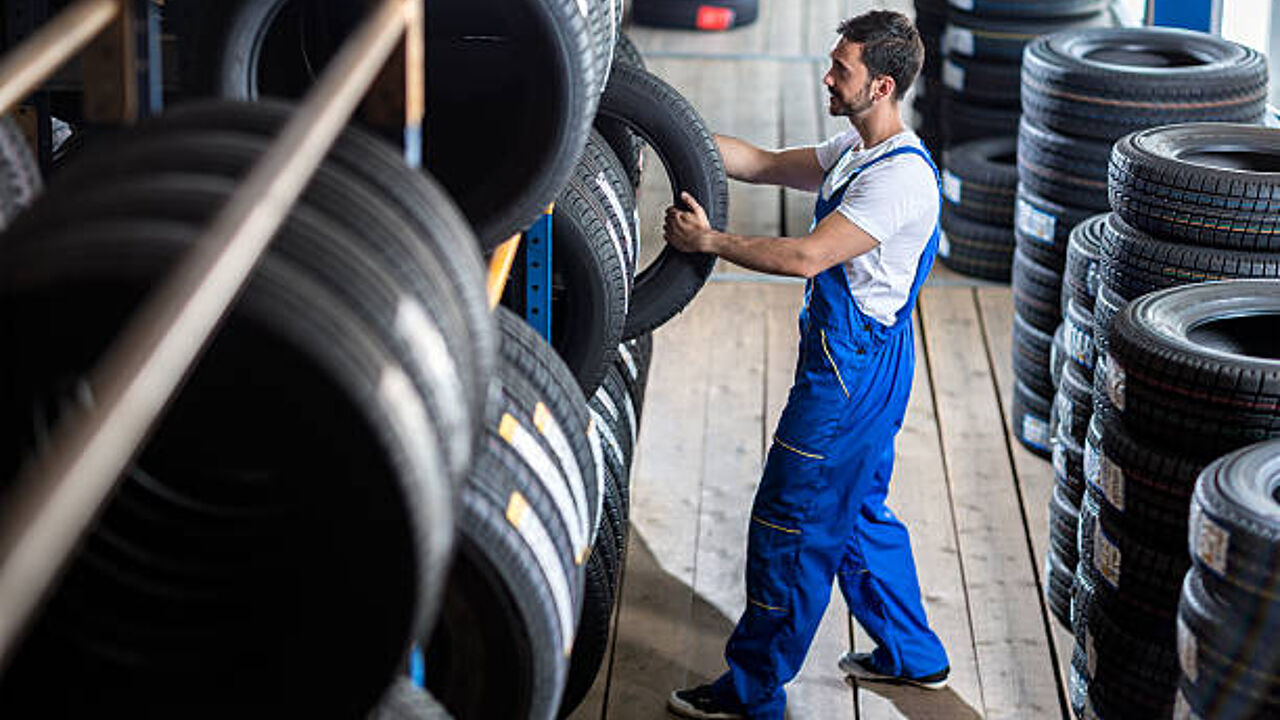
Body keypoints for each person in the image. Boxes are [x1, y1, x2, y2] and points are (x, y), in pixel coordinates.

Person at [661, 10, 950, 720]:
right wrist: (664, 128)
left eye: (842, 69)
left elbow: (805, 256)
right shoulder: (857, 149)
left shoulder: (899, 180)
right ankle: (914, 655)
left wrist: (710, 242)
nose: (828, 75)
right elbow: (757, 161)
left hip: (848, 378)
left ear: (881, 86)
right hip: (868, 363)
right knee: (854, 514)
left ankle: (753, 693)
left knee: (790, 523)